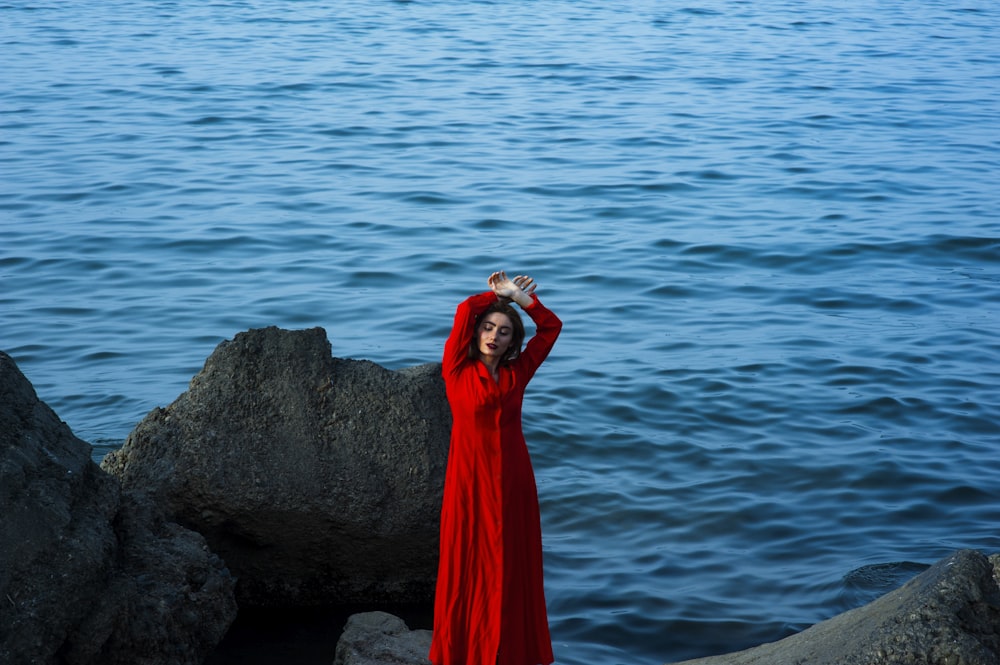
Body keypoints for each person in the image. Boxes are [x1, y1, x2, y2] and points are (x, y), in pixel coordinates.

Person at [429, 271, 562, 665]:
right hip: (468, 482)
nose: (494, 335)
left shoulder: (517, 374)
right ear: (477, 333)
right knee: (467, 563)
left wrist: (523, 300)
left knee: (512, 564)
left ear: (511, 342)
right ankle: (464, 652)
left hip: (514, 483)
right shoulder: (456, 369)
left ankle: (511, 651)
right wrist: (495, 296)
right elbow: (464, 310)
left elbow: (551, 328)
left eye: (504, 332)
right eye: (488, 328)